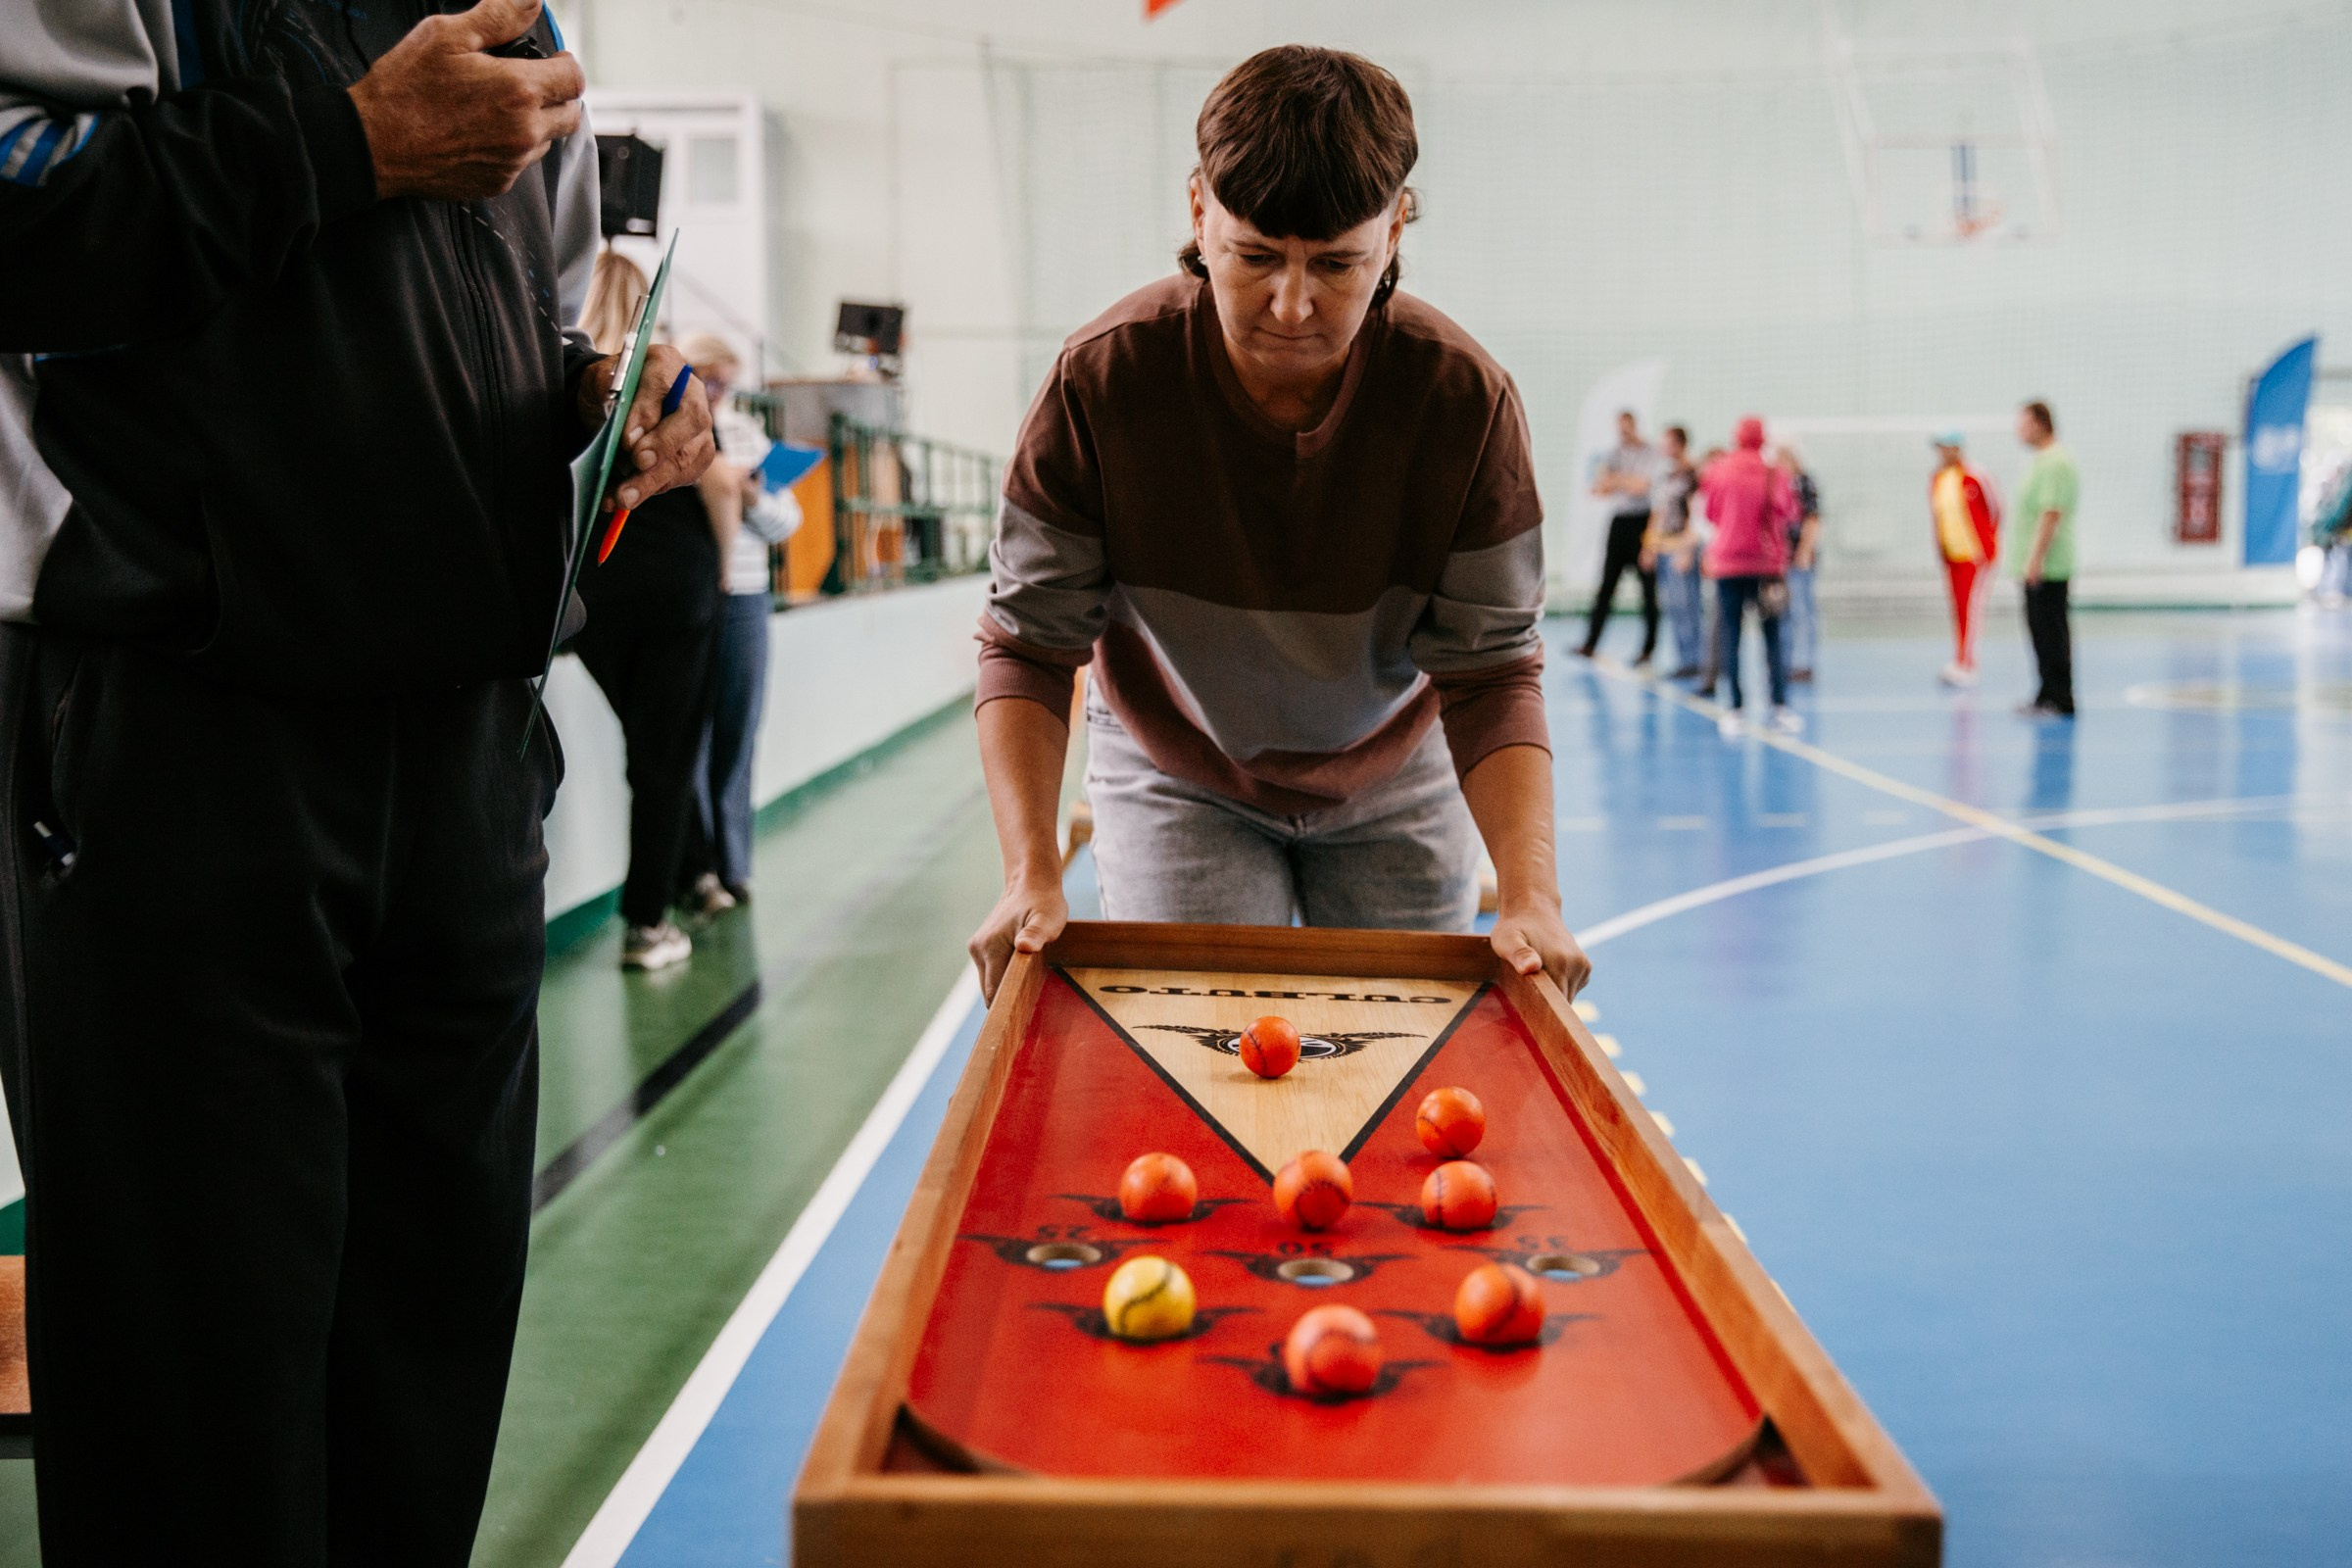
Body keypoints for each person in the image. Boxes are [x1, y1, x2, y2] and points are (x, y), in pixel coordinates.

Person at [0, 0, 713, 1559]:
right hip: (181, 730)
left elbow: (529, 305)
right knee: (197, 1429)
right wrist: (348, 142)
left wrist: (600, 402)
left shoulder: (508, 8)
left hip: (464, 750)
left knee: (420, 1385)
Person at [966, 45, 1589, 1005]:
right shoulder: (1103, 382)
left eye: (1336, 264)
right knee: (1197, 1066)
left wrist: (1533, 896)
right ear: (1199, 213)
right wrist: (1029, 878)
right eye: (1256, 257)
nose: (1292, 306)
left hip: (1396, 773)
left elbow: (1495, 670)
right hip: (1176, 770)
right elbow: (1029, 645)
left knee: (1396, 1072)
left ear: (1394, 231)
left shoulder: (1464, 402)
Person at [571, 324, 737, 968]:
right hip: (676, 597)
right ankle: (647, 922)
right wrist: (723, 572)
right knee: (665, 761)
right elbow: (718, 483)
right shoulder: (668, 386)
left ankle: (695, 874)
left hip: (596, 599)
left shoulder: (570, 389)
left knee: (650, 752)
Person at [679, 332, 804, 904]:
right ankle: (698, 867)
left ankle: (733, 863)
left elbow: (786, 524)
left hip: (747, 595)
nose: (717, 391)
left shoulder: (748, 433)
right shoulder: (671, 428)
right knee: (687, 734)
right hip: (689, 593)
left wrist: (749, 496)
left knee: (737, 727)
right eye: (707, 377)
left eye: (726, 380)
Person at [1701, 417, 1802, 738]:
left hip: (1728, 565)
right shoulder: (1776, 474)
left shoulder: (1718, 471)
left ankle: (1734, 708)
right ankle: (1779, 705)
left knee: (1731, 634)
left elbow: (1710, 513)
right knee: (1774, 636)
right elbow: (1789, 513)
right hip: (1767, 568)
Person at [2011, 400, 2079, 719]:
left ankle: (2060, 697)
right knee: (2038, 632)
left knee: (2052, 632)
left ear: (2040, 423)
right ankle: (2044, 694)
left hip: (2049, 567)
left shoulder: (2056, 462)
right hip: (2035, 564)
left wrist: (2035, 559)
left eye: (2023, 424)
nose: (2018, 431)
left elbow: (2051, 513)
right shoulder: (2041, 461)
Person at [1578, 410, 1661, 664]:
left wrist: (1616, 480)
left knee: (1647, 590)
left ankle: (1648, 648)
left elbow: (1642, 486)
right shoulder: (1614, 453)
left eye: (1626, 427)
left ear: (1634, 425)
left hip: (1642, 522)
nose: (1623, 432)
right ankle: (1590, 642)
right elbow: (1599, 488)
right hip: (1620, 522)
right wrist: (1619, 481)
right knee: (1606, 587)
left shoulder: (1650, 452)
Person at [1929, 430, 2001, 688]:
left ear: (1957, 448)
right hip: (1952, 557)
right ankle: (1959, 658)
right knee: (1958, 609)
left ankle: (1968, 663)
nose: (1942, 453)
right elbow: (1938, 517)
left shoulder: (1975, 475)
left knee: (1972, 611)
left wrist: (1988, 542)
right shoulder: (1937, 478)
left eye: (1946, 447)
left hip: (1975, 556)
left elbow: (1996, 508)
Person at [1642, 425, 1705, 679]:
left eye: (1666, 443)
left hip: (1682, 545)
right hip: (1665, 545)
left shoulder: (1692, 474)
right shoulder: (1667, 475)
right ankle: (1683, 658)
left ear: (1679, 444)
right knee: (1674, 605)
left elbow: (1695, 513)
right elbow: (1659, 512)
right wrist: (1649, 546)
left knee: (1689, 603)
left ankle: (1696, 659)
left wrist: (1687, 549)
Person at [1775, 444, 1822, 683]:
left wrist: (1804, 551)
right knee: (1781, 612)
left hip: (1798, 558)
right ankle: (1783, 660)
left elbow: (1813, 518)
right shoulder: (1774, 484)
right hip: (1778, 560)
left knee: (1802, 609)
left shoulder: (1804, 482)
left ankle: (1804, 662)